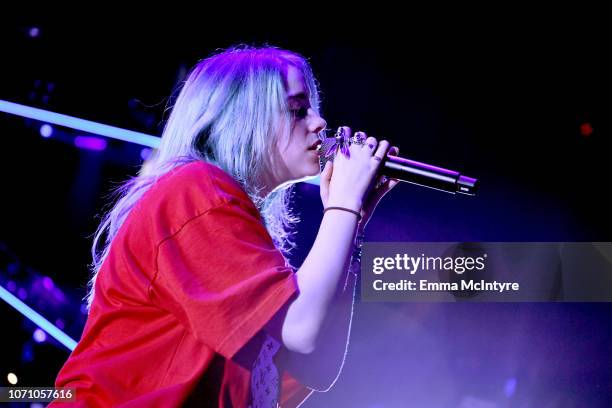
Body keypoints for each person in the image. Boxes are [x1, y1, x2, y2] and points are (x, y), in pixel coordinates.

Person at [50, 45, 398, 407]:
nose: (318, 123)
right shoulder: (194, 191)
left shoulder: (235, 221)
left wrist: (352, 224)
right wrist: (343, 206)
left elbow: (316, 368)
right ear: (244, 119)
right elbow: (302, 328)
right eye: (297, 110)